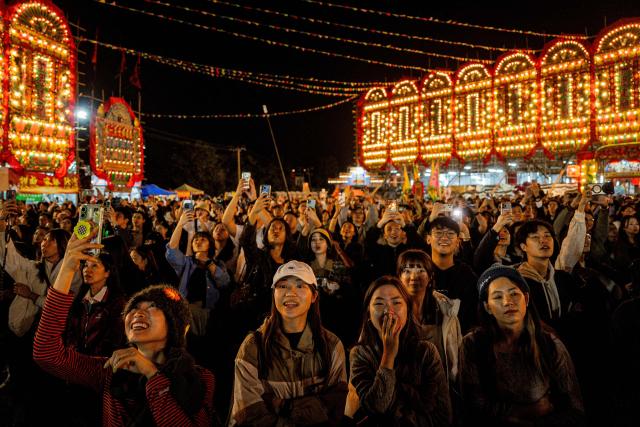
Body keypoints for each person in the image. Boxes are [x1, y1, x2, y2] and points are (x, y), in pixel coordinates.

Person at [33, 232, 215, 426]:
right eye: (134, 308)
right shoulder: (111, 370)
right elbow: (47, 353)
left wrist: (152, 375)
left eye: (153, 307)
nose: (138, 313)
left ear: (176, 325)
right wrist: (68, 268)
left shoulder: (200, 378)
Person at [459, 264, 585, 426]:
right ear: (487, 306)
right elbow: (473, 406)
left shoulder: (550, 345)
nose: (507, 302)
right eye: (497, 297)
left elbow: (575, 409)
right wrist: (524, 412)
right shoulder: (473, 344)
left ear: (526, 299)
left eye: (514, 294)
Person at [230, 260, 347, 426]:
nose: (290, 293)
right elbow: (250, 414)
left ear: (314, 296)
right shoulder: (253, 347)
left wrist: (281, 405)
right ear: (274, 294)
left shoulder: (331, 346)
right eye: (283, 286)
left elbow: (336, 406)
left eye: (300, 286)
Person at [349, 276, 451, 426]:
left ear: (408, 310)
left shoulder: (426, 352)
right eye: (379, 303)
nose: (389, 311)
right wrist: (388, 354)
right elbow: (376, 406)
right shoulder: (360, 354)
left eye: (396, 302)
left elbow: (443, 416)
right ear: (368, 314)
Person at [396, 249, 462, 385]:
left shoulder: (446, 311)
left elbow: (456, 357)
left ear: (430, 277)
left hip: (440, 386)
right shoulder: (391, 311)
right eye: (407, 270)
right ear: (399, 277)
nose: (414, 277)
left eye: (421, 270)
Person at [166, 210, 231, 336]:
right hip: (186, 311)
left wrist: (208, 263)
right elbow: (172, 252)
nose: (198, 241)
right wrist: (180, 224)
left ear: (210, 245)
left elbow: (224, 282)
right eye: (195, 240)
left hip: (209, 313)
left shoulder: (218, 264)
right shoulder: (187, 263)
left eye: (203, 239)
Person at [65, 252, 127, 356]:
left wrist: (90, 359)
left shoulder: (117, 303)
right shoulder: (80, 300)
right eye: (85, 266)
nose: (87, 270)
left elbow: (113, 340)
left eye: (94, 266)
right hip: (75, 360)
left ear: (107, 272)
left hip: (99, 363)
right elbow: (70, 331)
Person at [425, 216, 478, 333]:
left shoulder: (467, 275)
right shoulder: (420, 272)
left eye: (450, 234)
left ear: (458, 242)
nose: (444, 238)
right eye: (438, 233)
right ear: (428, 239)